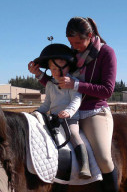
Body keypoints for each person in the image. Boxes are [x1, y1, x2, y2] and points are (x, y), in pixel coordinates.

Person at [28, 17, 118, 192]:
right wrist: (40, 75)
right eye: (71, 43)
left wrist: (77, 84)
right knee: (53, 151)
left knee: (103, 156)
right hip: (67, 113)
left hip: (94, 111)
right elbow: (60, 86)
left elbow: (107, 90)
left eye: (77, 42)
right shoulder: (74, 55)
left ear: (90, 36)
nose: (74, 47)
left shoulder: (107, 53)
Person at [33, 43, 91, 179]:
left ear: (65, 67)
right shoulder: (49, 85)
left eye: (55, 68)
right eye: (51, 68)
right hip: (53, 118)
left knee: (74, 135)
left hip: (69, 119)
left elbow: (76, 100)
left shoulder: (72, 82)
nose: (52, 71)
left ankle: (85, 165)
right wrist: (37, 112)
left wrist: (69, 112)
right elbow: (46, 104)